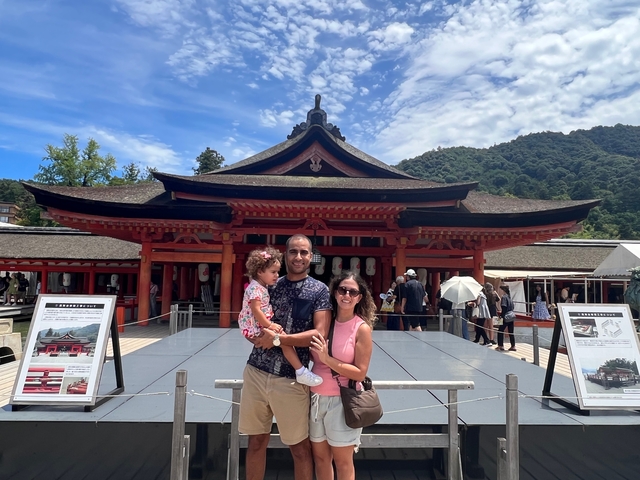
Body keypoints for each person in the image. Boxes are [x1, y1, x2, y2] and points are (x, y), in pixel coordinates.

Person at [238, 234, 331, 480]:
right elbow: (251, 316)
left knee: (300, 448)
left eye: (304, 252)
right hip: (257, 370)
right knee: (256, 441)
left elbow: (320, 333)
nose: (298, 257)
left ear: (311, 256)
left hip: (290, 378)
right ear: (285, 254)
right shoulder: (270, 283)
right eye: (293, 252)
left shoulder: (319, 290)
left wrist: (279, 339)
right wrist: (254, 338)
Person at [308, 271, 375, 480]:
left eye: (352, 292)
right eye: (342, 290)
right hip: (315, 398)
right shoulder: (323, 321)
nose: (347, 295)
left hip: (342, 401)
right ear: (335, 293)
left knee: (343, 462)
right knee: (320, 459)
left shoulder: (361, 328)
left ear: (359, 297)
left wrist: (327, 359)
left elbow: (361, 372)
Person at [238, 247, 322, 386]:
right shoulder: (256, 289)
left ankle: (300, 371)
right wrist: (269, 325)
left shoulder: (260, 286)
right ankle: (301, 371)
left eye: (277, 271)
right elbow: (256, 310)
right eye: (273, 272)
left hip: (256, 325)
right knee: (283, 340)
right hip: (258, 325)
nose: (277, 275)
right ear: (259, 271)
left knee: (281, 341)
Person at [497, 285, 516, 351]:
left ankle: (500, 345)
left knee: (500, 330)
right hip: (511, 315)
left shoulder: (504, 297)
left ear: (503, 290)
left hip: (505, 315)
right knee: (511, 331)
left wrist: (501, 316)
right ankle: (513, 345)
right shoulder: (509, 297)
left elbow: (504, 307)